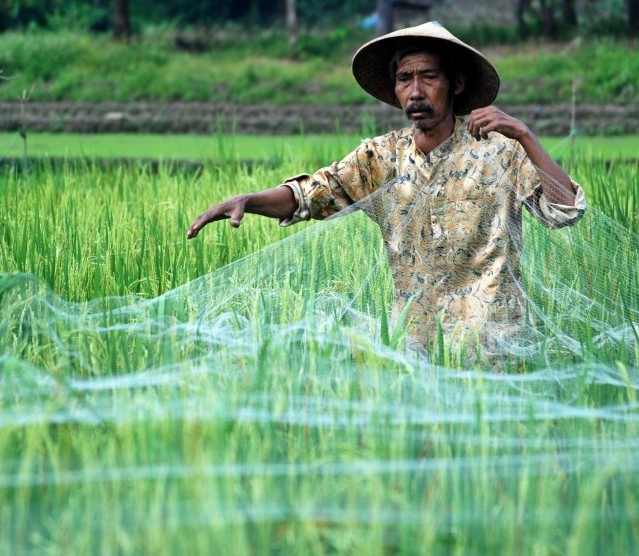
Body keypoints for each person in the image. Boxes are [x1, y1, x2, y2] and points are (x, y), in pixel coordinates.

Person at [188, 21, 586, 357]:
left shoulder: (500, 151)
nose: (416, 91)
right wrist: (248, 201)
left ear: (456, 83)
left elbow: (565, 211)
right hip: (415, 345)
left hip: (494, 344)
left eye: (429, 77)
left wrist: (525, 135)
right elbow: (311, 195)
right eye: (404, 79)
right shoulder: (381, 158)